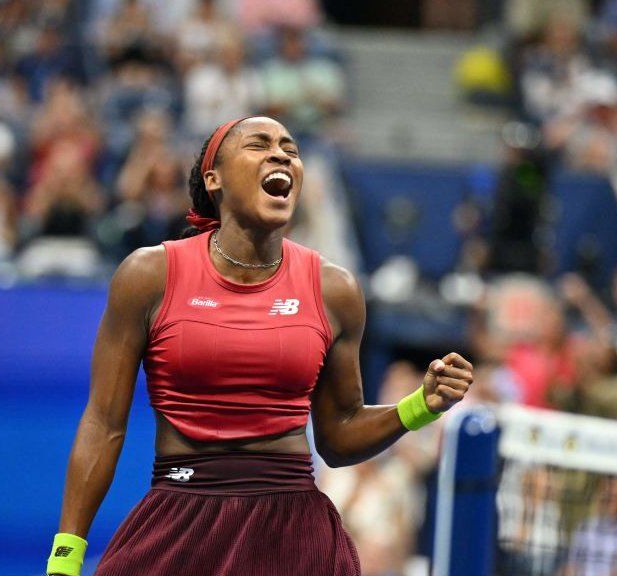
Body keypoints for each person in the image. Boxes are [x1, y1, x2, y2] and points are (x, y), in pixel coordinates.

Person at [43, 116, 475, 576]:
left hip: (293, 531)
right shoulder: (148, 275)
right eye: (259, 144)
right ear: (215, 179)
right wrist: (65, 556)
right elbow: (104, 422)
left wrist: (419, 407)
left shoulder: (335, 290)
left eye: (290, 148)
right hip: (178, 516)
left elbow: (339, 435)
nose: (281, 154)